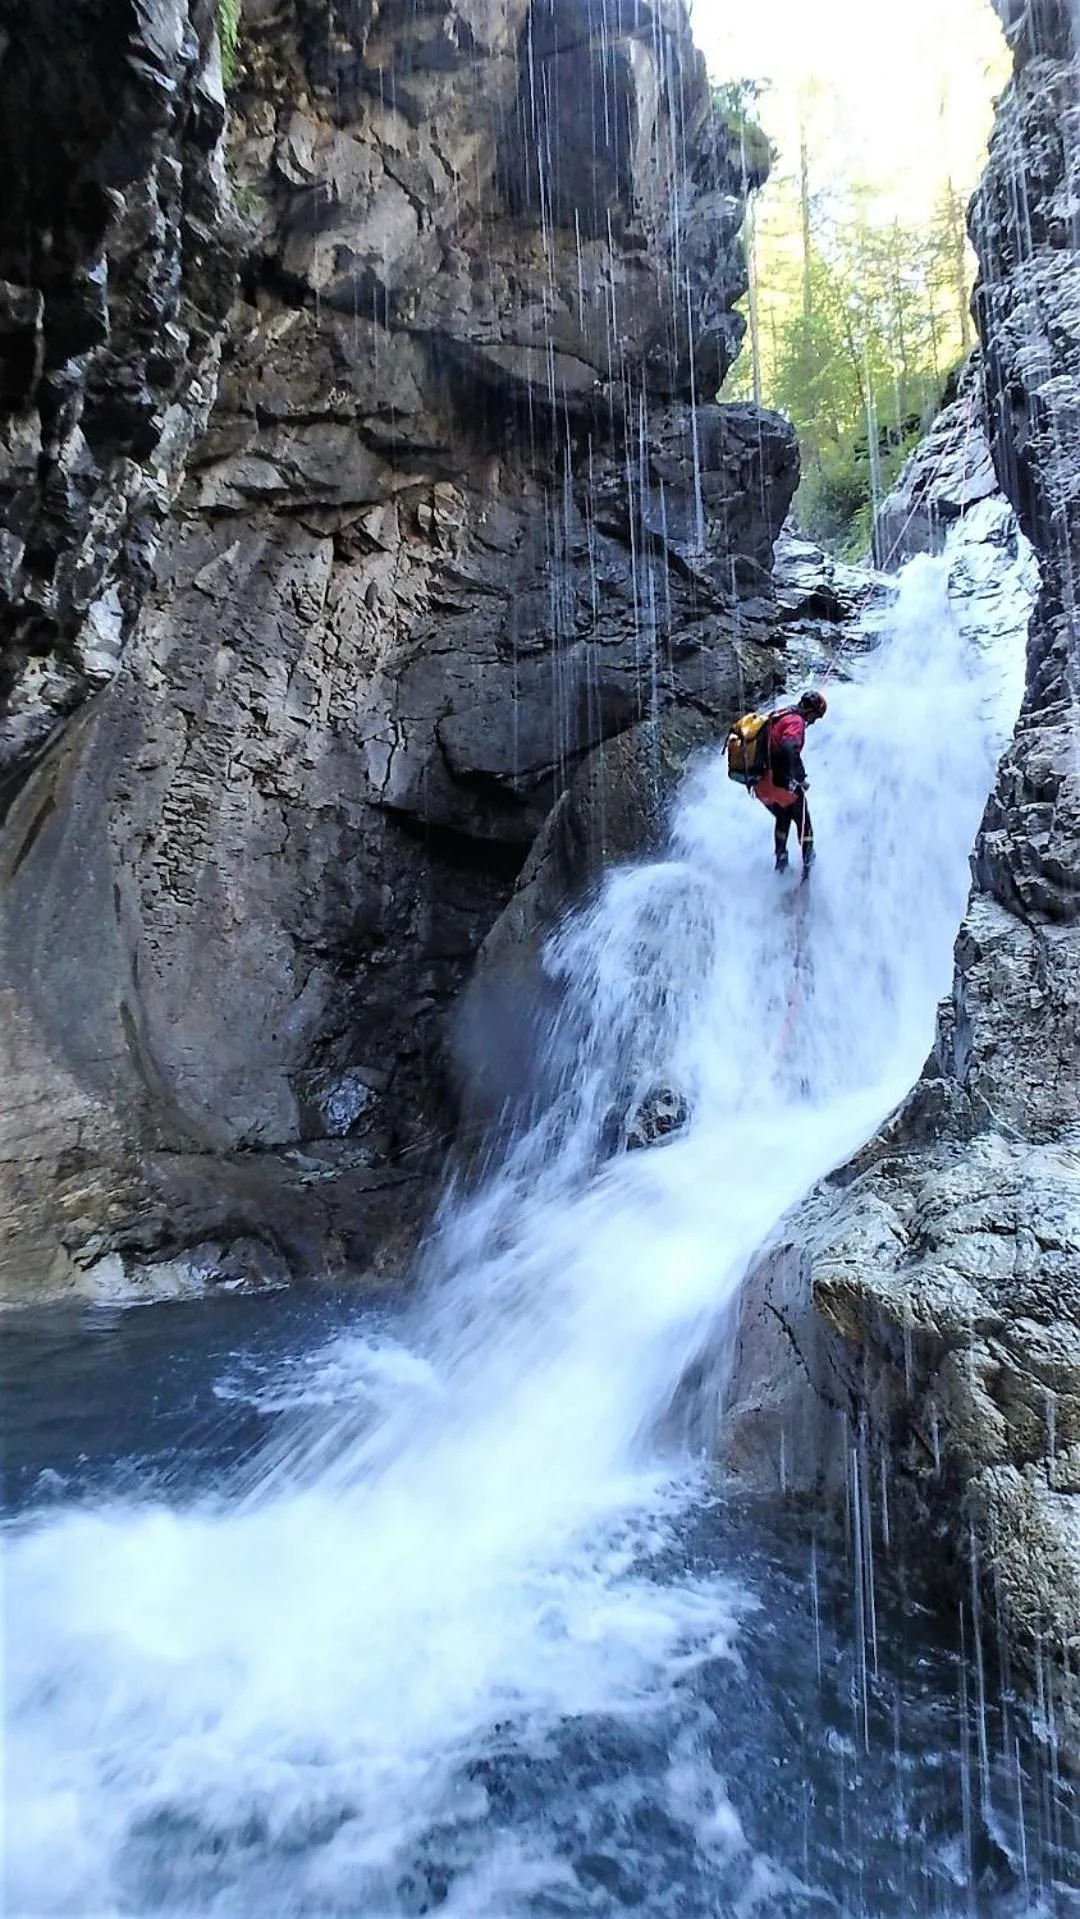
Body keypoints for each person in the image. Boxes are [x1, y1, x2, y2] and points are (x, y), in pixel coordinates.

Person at [753, 690, 827, 874]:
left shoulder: (781, 714)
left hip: (761, 784)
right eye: (814, 718)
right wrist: (801, 778)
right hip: (778, 781)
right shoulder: (796, 721)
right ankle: (808, 863)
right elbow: (788, 748)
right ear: (809, 711)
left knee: (783, 815)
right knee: (803, 817)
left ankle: (781, 859)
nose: (812, 722)